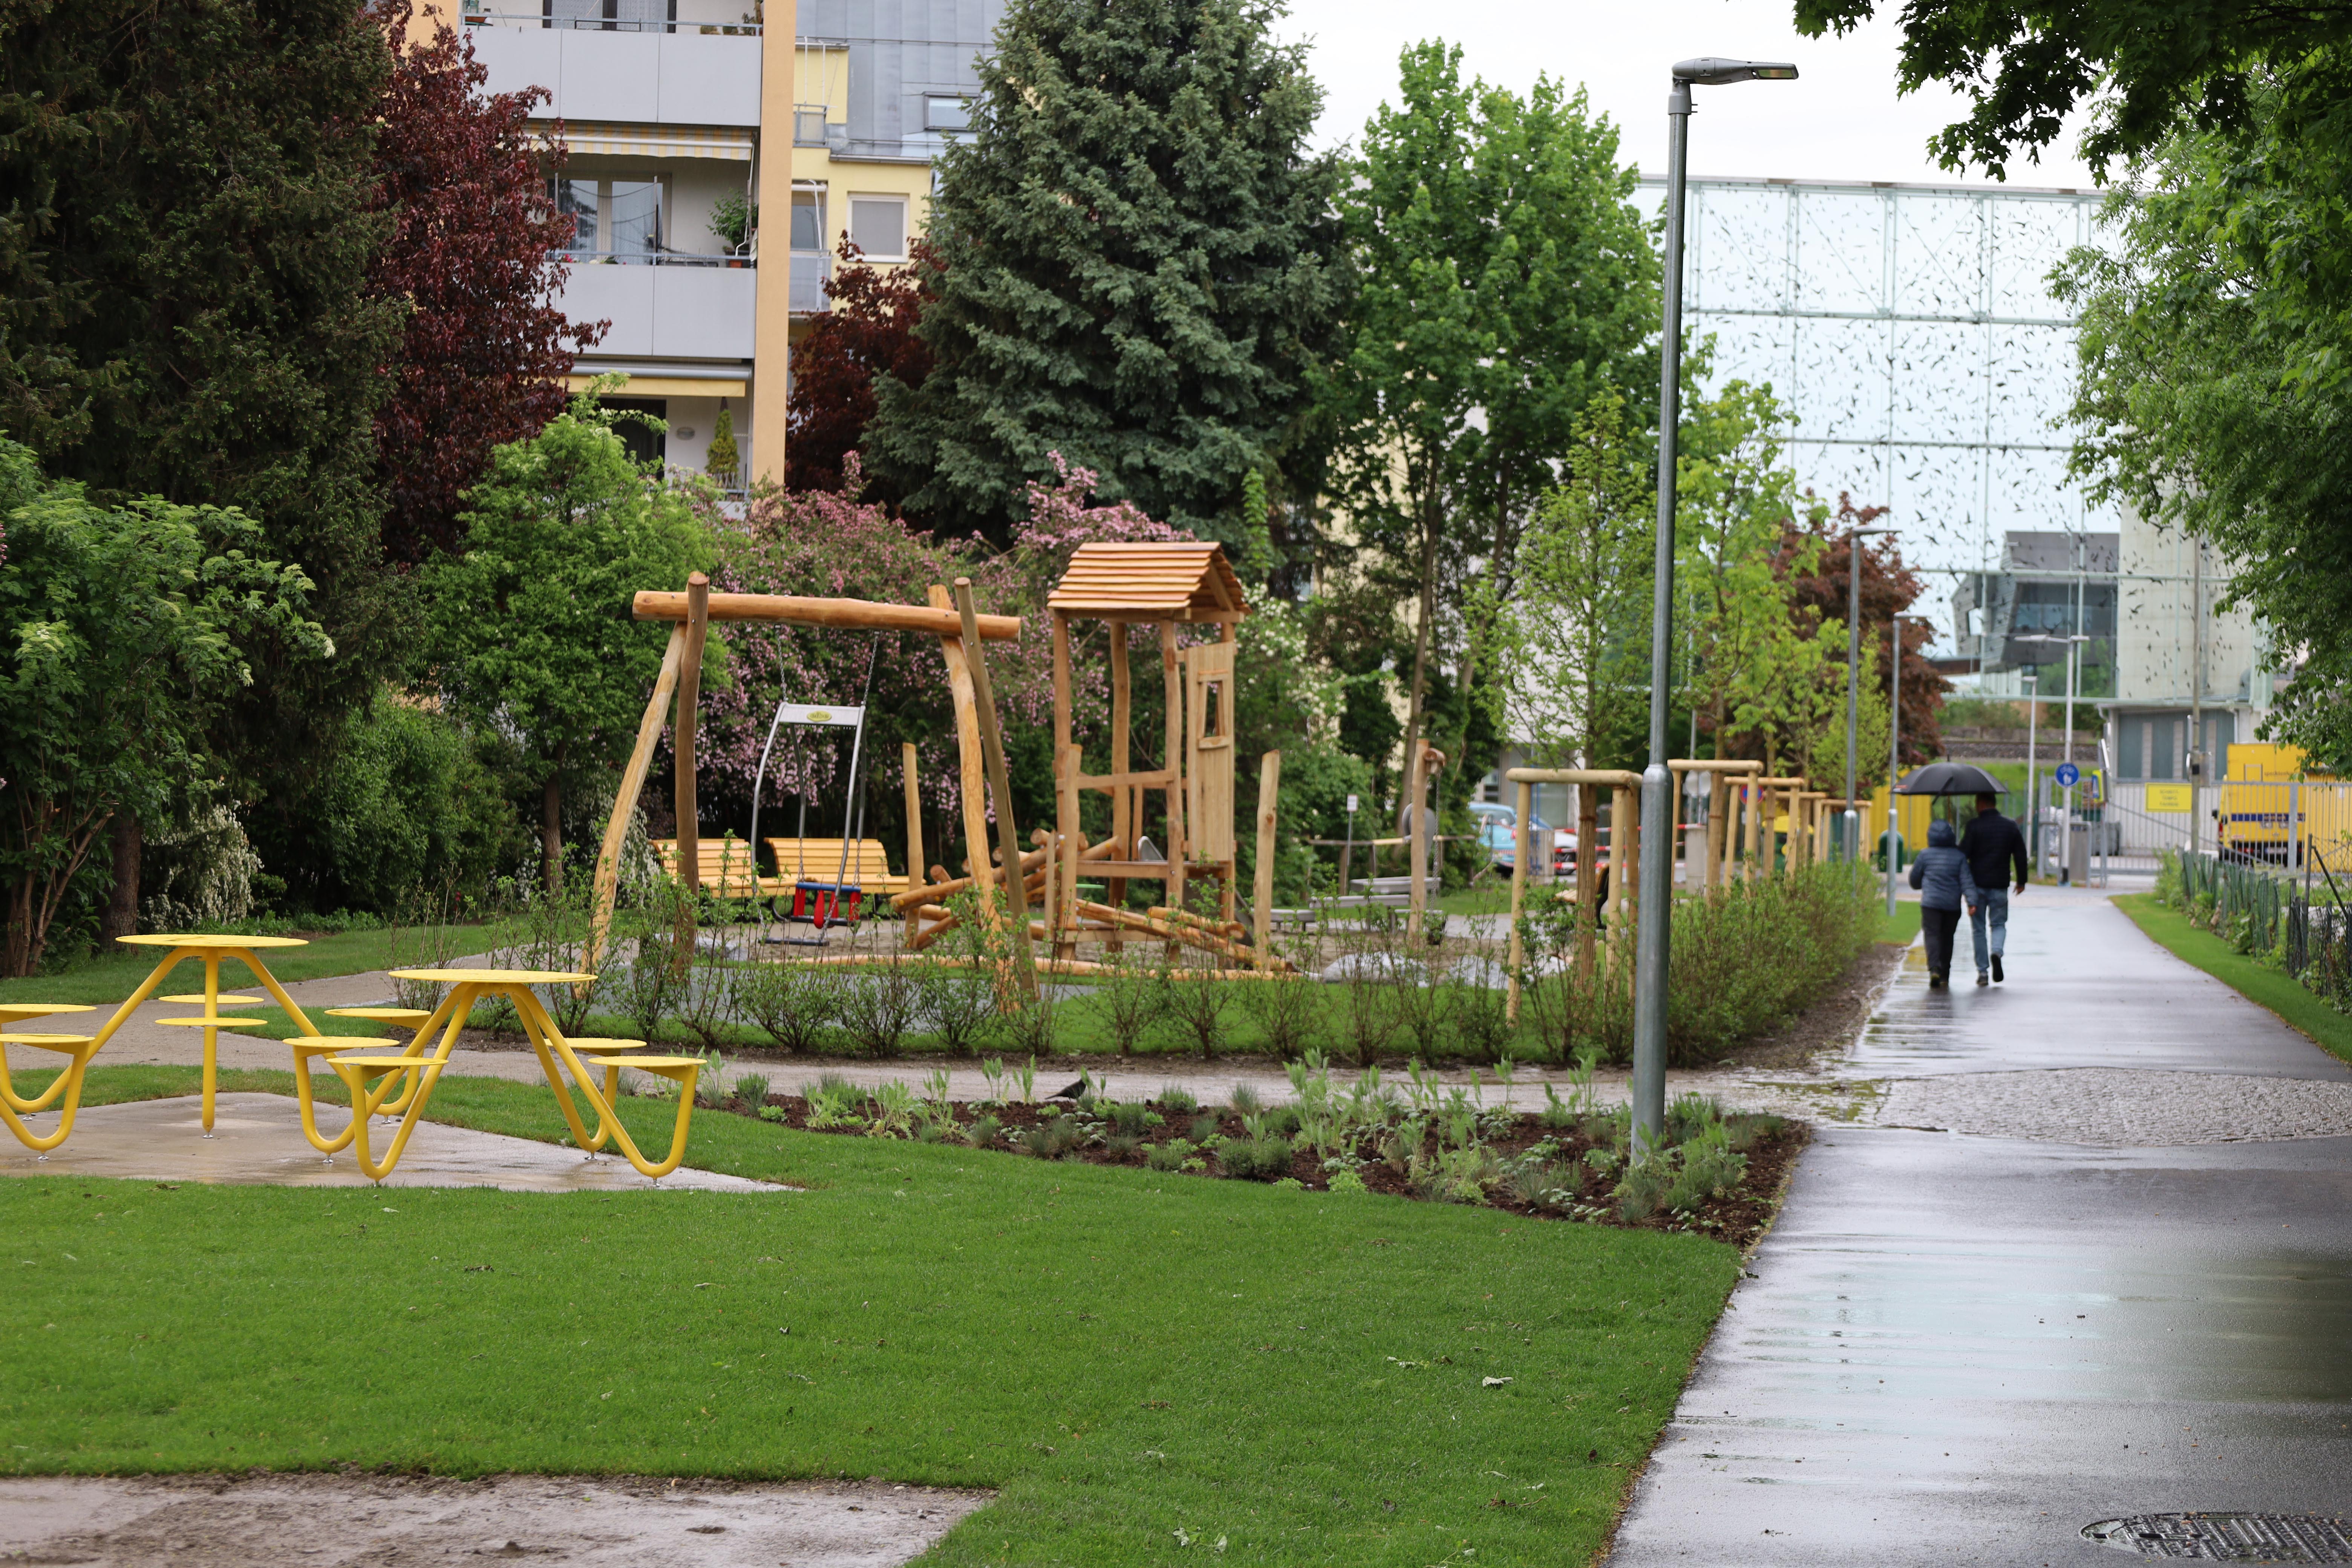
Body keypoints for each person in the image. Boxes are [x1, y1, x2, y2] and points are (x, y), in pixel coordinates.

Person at [1958, 790, 2030, 986]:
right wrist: (2021, 881)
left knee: (1979, 930)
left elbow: (1963, 854)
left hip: (1977, 886)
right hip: (2000, 885)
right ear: (1994, 804)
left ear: (1981, 803)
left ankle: (1983, 973)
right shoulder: (2010, 826)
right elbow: (2021, 854)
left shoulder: (1974, 826)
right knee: (1998, 925)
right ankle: (1997, 952)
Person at [1908, 817, 1971, 989]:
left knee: (1932, 935)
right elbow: (1967, 881)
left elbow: (1914, 880)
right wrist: (1972, 901)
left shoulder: (1924, 855)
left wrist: (1923, 884)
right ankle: (1945, 974)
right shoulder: (1959, 857)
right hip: (1952, 906)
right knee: (1948, 938)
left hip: (1931, 905)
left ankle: (1934, 967)